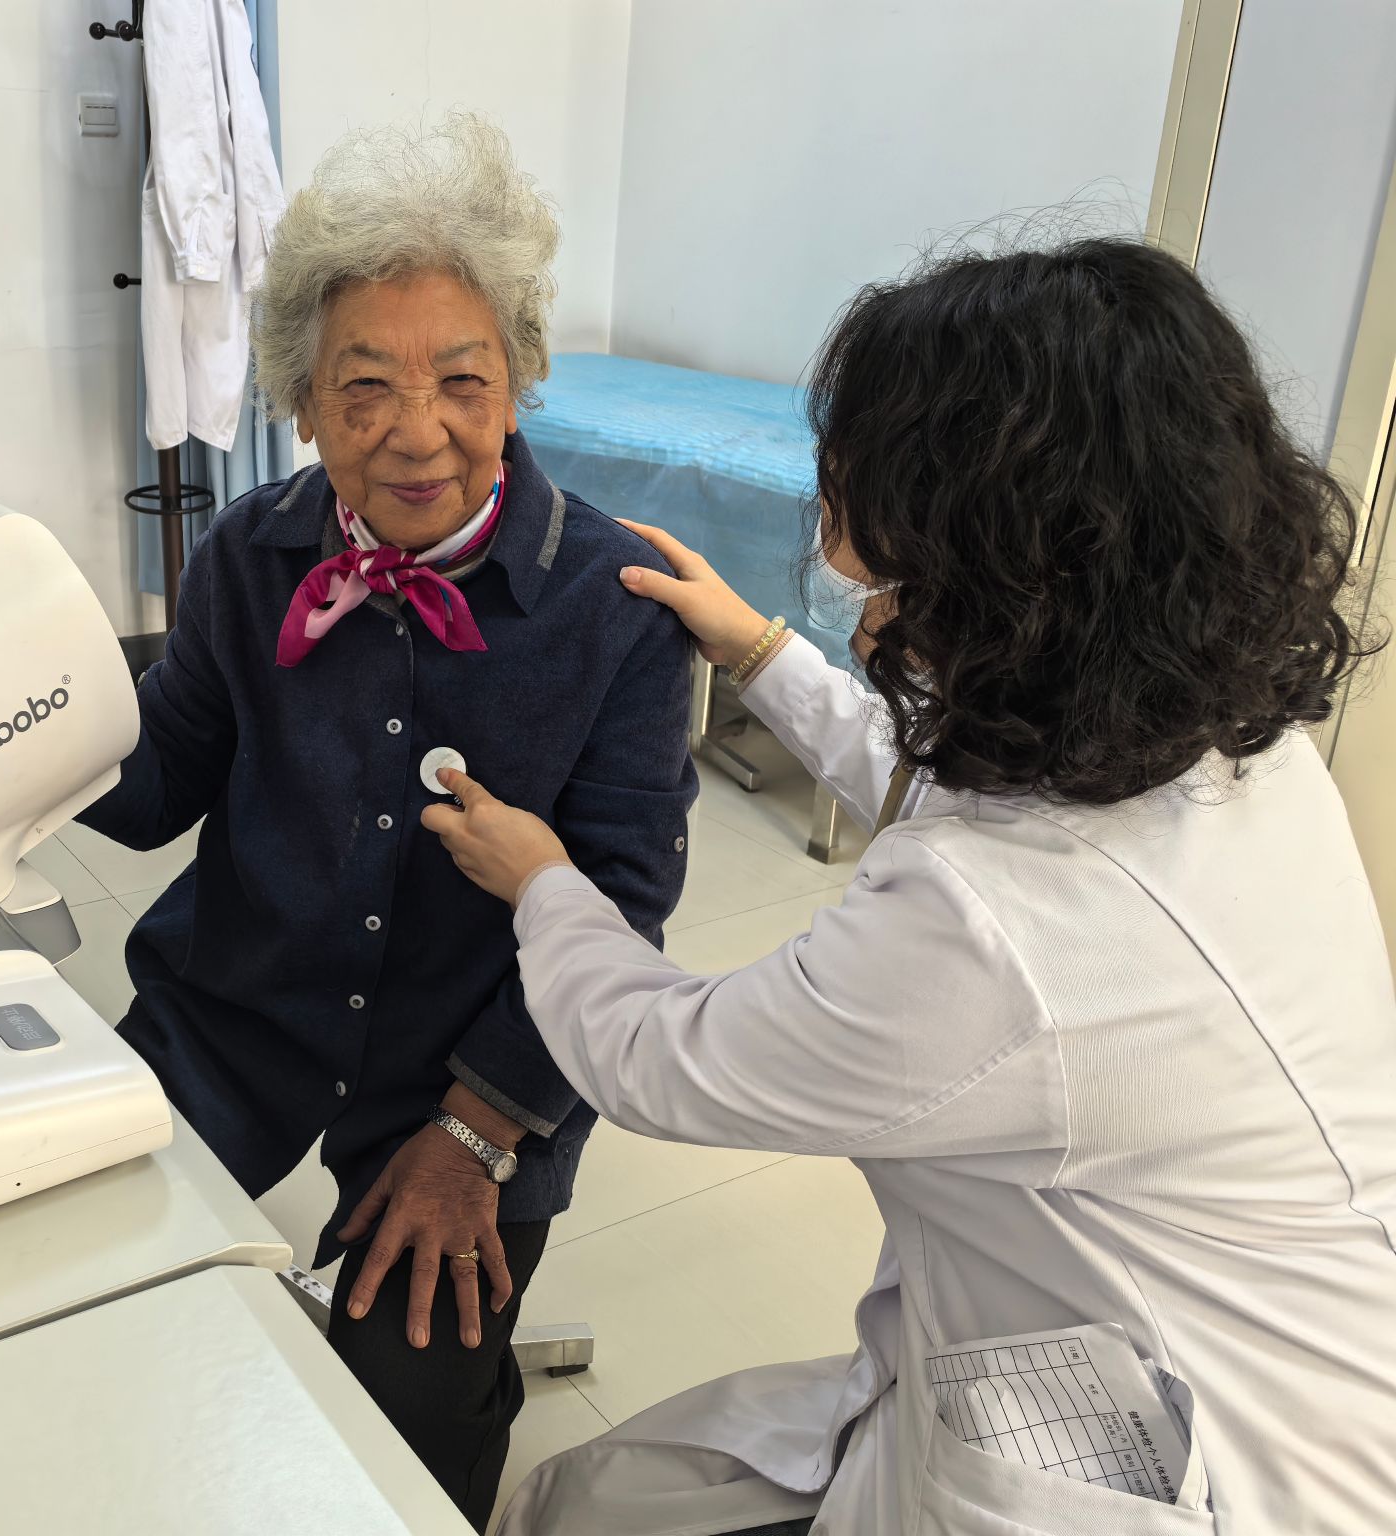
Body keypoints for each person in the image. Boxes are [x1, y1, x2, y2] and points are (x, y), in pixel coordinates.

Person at [424, 239, 1396, 1535]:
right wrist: (762, 652)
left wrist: (545, 883)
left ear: (1012, 583)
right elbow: (958, 777)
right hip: (1147, 1338)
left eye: (882, 582)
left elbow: (662, 1058)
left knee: (571, 1515)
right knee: (587, 1498)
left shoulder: (990, 932)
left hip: (1208, 1466)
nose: (861, 611)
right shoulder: (1224, 740)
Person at [73, 114, 697, 1529]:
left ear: (520, 382)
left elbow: (619, 907)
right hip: (235, 1018)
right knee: (80, 1304)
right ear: (301, 400)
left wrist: (477, 1135)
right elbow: (158, 782)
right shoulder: (249, 554)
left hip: (471, 1075)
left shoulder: (615, 609)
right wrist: (10, 731)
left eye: (463, 381)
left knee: (404, 1435)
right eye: (364, 388)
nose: (419, 433)